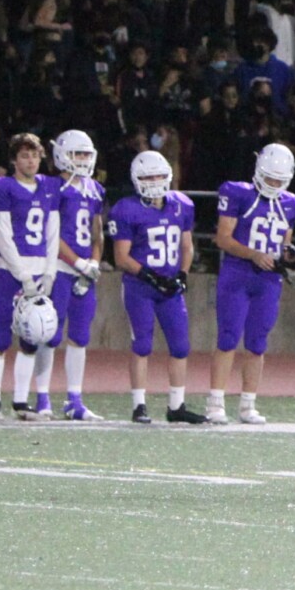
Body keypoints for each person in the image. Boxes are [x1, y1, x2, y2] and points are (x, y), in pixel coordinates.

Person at [206, 144, 295, 425]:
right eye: (269, 177)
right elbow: (223, 238)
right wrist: (253, 254)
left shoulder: (291, 204)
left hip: (268, 279)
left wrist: (288, 253)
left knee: (258, 342)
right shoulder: (237, 193)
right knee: (228, 337)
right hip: (238, 272)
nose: (273, 183)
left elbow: (284, 243)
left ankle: (248, 404)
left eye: (278, 179)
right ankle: (215, 401)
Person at [108, 151, 208, 425]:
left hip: (170, 289)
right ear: (136, 180)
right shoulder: (126, 209)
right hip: (139, 287)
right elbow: (121, 258)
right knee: (142, 345)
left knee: (180, 346)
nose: (154, 182)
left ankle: (176, 405)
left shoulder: (181, 204)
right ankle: (139, 405)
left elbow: (187, 246)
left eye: (159, 176)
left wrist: (183, 274)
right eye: (148, 177)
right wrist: (151, 277)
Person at [0, 133, 62, 422]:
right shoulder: (2, 187)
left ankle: (20, 401)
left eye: (34, 155)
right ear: (14, 160)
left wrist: (50, 271)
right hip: (10, 271)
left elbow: (53, 233)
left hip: (41, 270)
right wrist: (22, 274)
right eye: (24, 156)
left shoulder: (50, 187)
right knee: (1, 337)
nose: (30, 161)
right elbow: (2, 235)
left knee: (32, 338)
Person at [46, 129, 106, 421]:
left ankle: (74, 399)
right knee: (49, 334)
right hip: (58, 269)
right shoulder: (53, 187)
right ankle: (42, 397)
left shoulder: (95, 189)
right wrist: (78, 263)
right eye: (76, 153)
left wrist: (93, 262)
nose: (82, 159)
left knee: (80, 336)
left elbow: (98, 232)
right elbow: (51, 233)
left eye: (85, 154)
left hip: (83, 272)